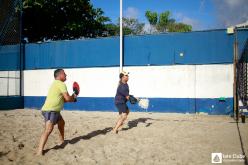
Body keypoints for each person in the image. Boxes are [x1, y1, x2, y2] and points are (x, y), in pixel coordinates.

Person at [36, 69, 77, 155]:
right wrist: (74, 96)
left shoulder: (55, 84)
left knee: (61, 123)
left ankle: (62, 141)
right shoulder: (61, 84)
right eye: (64, 74)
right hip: (51, 110)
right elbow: (68, 98)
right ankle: (39, 151)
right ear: (60, 75)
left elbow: (63, 100)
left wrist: (73, 98)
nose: (66, 75)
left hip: (54, 110)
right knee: (48, 130)